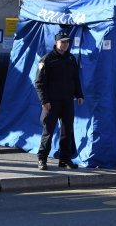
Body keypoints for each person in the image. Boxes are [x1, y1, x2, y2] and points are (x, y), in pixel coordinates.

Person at [35, 30, 84, 170]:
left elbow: (75, 79)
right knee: (48, 130)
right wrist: (44, 101)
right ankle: (42, 159)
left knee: (67, 131)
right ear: (56, 43)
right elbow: (39, 82)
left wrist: (79, 95)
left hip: (67, 101)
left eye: (67, 42)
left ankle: (64, 159)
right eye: (62, 42)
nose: (65, 45)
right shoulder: (47, 59)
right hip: (52, 101)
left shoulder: (71, 59)